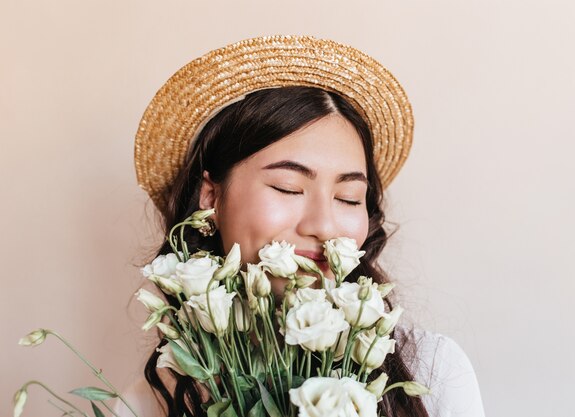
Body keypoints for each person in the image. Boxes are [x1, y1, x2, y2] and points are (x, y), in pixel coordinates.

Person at [120, 36, 485, 417]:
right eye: (288, 188)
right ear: (211, 196)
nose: (324, 226)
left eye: (347, 197)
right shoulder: (144, 405)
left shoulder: (433, 372)